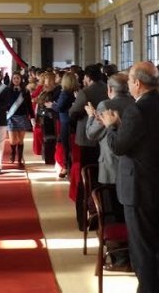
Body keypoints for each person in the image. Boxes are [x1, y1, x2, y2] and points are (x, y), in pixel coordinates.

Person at [100, 61, 159, 293]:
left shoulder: (138, 109)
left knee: (142, 248)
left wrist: (112, 126)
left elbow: (119, 147)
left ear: (138, 84)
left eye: (130, 80)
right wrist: (124, 126)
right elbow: (146, 138)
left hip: (139, 186)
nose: (129, 84)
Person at [85, 72, 133, 271]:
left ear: (110, 90)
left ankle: (120, 258)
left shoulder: (106, 105)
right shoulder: (134, 103)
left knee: (112, 213)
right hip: (131, 167)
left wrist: (91, 117)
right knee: (129, 213)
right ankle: (132, 254)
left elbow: (92, 134)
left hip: (111, 167)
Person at [69, 64, 108, 229]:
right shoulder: (107, 88)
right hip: (105, 139)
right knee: (102, 180)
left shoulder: (86, 92)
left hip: (88, 138)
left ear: (88, 78)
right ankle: (101, 216)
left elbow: (73, 112)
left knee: (86, 179)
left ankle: (83, 220)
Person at [45, 72, 78, 177]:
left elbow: (60, 107)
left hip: (65, 121)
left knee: (66, 145)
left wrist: (52, 105)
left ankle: (66, 167)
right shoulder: (77, 91)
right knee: (72, 145)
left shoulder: (64, 93)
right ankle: (68, 166)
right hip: (74, 121)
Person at [6, 72, 34, 169]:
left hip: (22, 116)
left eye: (17, 78)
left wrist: (32, 117)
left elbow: (30, 105)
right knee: (13, 140)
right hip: (11, 117)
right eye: (14, 78)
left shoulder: (25, 91)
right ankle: (13, 153)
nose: (16, 80)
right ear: (12, 80)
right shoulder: (8, 91)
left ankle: (19, 159)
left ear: (20, 79)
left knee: (20, 140)